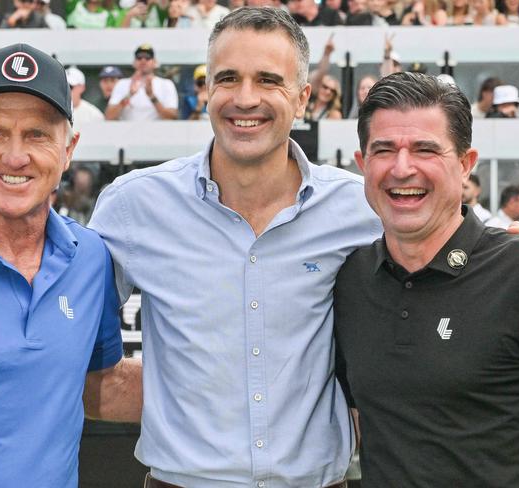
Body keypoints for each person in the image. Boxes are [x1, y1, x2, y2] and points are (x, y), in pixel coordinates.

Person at [89, 7, 382, 488]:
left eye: (268, 80)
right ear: (207, 91)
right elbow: (69, 335)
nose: (245, 99)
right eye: (228, 78)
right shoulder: (134, 204)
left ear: (303, 97)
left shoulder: (359, 207)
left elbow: (454, 258)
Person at [0, 43, 141, 487]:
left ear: (69, 149)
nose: (15, 156)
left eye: (37, 134)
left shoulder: (91, 258)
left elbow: (100, 386)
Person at [334, 71, 519, 487]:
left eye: (425, 150)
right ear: (362, 165)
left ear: (465, 166)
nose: (402, 169)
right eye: (384, 150)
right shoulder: (348, 282)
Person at [105, 44, 179, 121]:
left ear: (155, 62)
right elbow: (109, 117)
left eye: (148, 58)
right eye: (139, 58)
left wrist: (152, 97)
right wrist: (129, 95)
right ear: (134, 62)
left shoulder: (166, 84)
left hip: (157, 132)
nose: (143, 61)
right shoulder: (122, 84)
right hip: (127, 132)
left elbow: (172, 117)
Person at [66, 66, 104, 131]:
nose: (66, 90)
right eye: (63, 86)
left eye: (70, 86)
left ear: (82, 87)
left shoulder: (94, 115)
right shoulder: (52, 112)